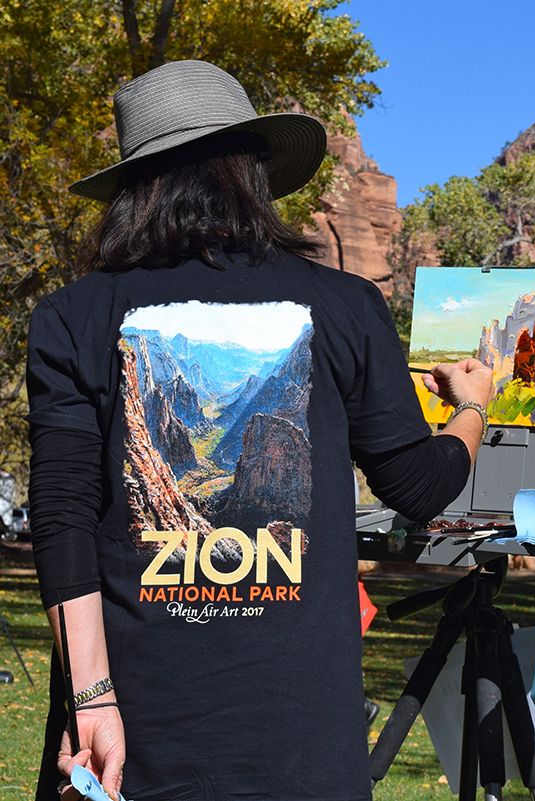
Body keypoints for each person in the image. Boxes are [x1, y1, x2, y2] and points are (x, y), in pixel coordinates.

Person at [26, 60, 493, 801]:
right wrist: (473, 407)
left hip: (126, 732)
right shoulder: (344, 305)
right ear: (252, 170)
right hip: (298, 738)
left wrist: (92, 700)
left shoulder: (74, 315)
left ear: (134, 189)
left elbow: (63, 520)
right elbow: (419, 485)